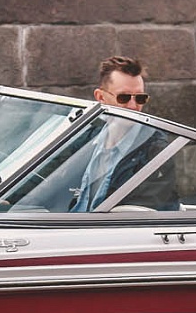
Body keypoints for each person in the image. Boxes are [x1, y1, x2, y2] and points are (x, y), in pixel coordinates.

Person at [72, 56, 177, 211]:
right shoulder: (85, 138)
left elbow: (146, 213)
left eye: (140, 98)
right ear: (101, 97)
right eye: (124, 97)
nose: (133, 106)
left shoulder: (156, 151)